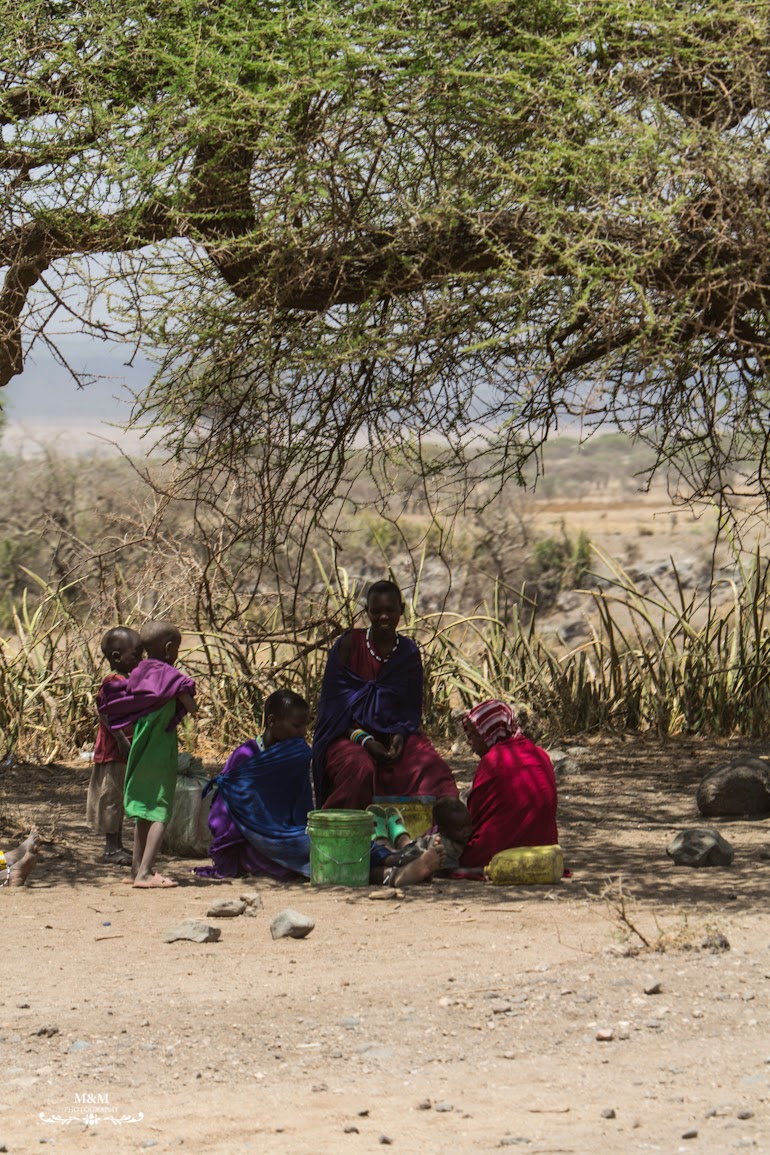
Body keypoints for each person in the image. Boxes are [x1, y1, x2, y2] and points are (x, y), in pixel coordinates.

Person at [312, 579, 459, 809]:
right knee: (359, 768)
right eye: (376, 611)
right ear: (367, 611)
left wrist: (398, 737)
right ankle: (337, 834)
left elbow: (408, 710)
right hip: (347, 735)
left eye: (390, 611)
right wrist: (365, 740)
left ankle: (438, 835)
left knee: (432, 768)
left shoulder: (408, 652)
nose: (383, 617)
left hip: (394, 734)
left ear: (401, 610)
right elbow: (333, 711)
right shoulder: (349, 645)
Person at [101, 620, 197, 888]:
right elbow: (192, 706)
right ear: (168, 649)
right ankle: (146, 872)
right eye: (176, 649)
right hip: (159, 749)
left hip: (139, 748)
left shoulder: (138, 673)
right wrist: (181, 692)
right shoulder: (170, 676)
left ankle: (135, 870)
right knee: (159, 810)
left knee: (143, 810)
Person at [195, 689, 314, 881]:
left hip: (285, 834)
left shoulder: (293, 757)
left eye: (304, 726)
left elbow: (301, 802)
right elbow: (228, 812)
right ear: (272, 722)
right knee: (285, 865)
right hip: (252, 841)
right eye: (297, 726)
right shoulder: (246, 756)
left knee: (321, 845)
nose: (303, 733)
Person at [460, 699, 558, 869]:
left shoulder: (492, 762)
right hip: (545, 850)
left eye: (475, 735)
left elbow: (473, 818)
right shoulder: (540, 754)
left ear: (489, 733)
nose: (470, 742)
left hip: (496, 852)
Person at [88, 627, 142, 866]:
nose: (140, 659)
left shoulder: (126, 680)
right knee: (111, 798)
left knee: (119, 798)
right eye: (135, 655)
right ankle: (110, 849)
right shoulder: (113, 682)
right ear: (117, 657)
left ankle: (117, 846)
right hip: (114, 751)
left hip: (123, 750)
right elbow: (106, 712)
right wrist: (121, 739)